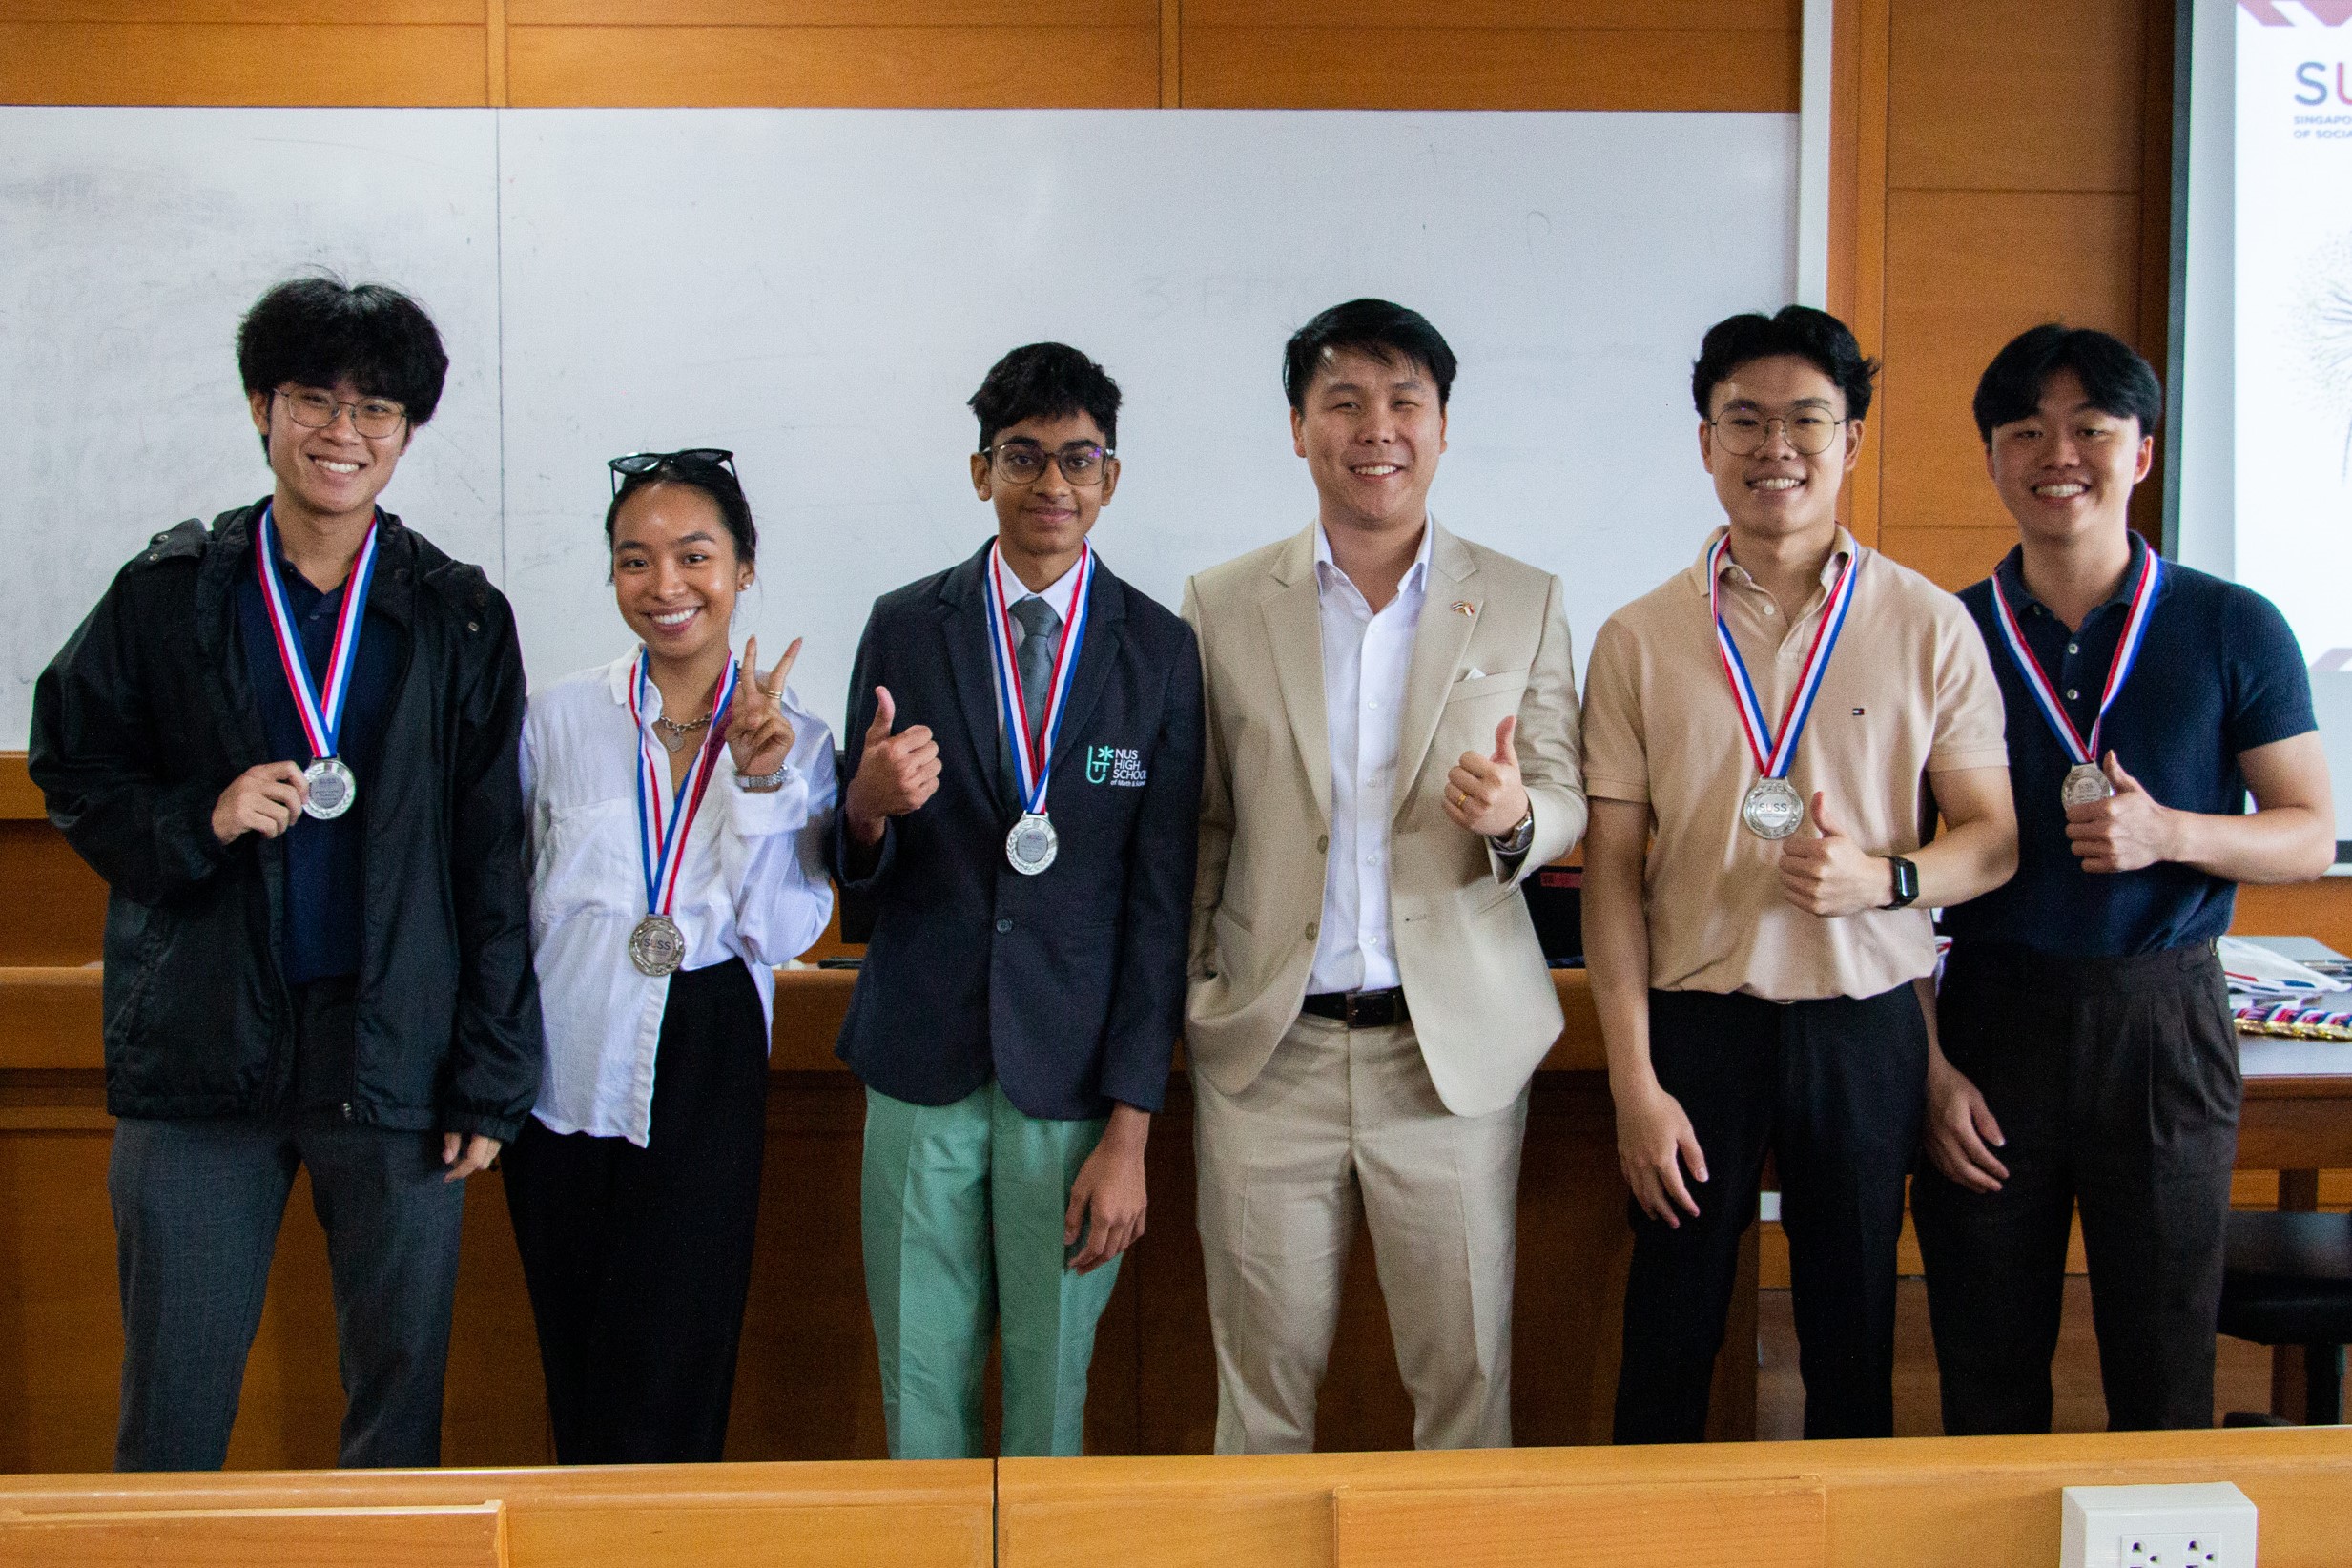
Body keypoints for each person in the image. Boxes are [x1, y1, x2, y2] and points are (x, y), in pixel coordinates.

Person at [28, 275, 542, 1471]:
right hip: (203, 1050)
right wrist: (195, 819)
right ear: (262, 407)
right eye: (313, 398)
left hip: (395, 1055)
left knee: (396, 1413)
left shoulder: (460, 617)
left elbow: (490, 855)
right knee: (173, 1405)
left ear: (408, 432)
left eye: (375, 410)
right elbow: (73, 763)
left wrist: (488, 1076)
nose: (342, 433)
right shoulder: (168, 596)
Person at [1581, 304, 2018, 1444]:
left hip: (1862, 1023)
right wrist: (1634, 1081)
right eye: (1746, 420)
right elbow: (1613, 877)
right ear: (1706, 443)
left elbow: (1994, 838)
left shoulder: (1928, 623)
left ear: (1853, 441)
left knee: (1852, 1333)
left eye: (1807, 420)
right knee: (1668, 1335)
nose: (1776, 446)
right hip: (1696, 1022)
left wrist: (1887, 880)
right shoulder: (1639, 636)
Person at [1912, 325, 2333, 1434]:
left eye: (2092, 429)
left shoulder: (2231, 625)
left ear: (2141, 453)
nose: (2060, 454)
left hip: (2164, 1017)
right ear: (1994, 459)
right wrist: (1930, 1064)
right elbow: (1894, 882)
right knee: (1984, 1353)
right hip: (1991, 1014)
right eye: (2026, 433)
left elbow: (2305, 835)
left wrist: (2172, 835)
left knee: (2162, 1355)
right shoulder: (1943, 634)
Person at [1183, 298, 1585, 1454]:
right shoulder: (1221, 604)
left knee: (1465, 1387)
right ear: (1299, 428)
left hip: (1448, 1058)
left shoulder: (1521, 597)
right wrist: (1197, 991)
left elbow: (1564, 791)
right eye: (1344, 401)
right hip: (1270, 1055)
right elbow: (1203, 821)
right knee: (1258, 1392)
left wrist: (1517, 819)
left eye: (1406, 400)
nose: (1378, 427)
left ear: (1444, 427)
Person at [831, 342, 1203, 1459]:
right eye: (1024, 458)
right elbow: (852, 866)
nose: (1052, 486)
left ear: (1112, 477)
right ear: (980, 468)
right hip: (920, 1062)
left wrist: (1132, 1129)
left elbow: (1160, 906)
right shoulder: (905, 623)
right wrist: (865, 804)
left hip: (1074, 1083)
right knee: (921, 1392)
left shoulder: (1160, 648)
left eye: (1078, 460)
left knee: (1050, 1401)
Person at [503, 449, 836, 1463]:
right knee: (577, 1359)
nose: (665, 587)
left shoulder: (799, 737)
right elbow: (508, 898)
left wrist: (763, 784)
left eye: (695, 556)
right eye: (634, 561)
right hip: (562, 1054)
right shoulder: (557, 719)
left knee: (679, 1361)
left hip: (706, 1048)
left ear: (741, 569)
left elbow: (779, 936)